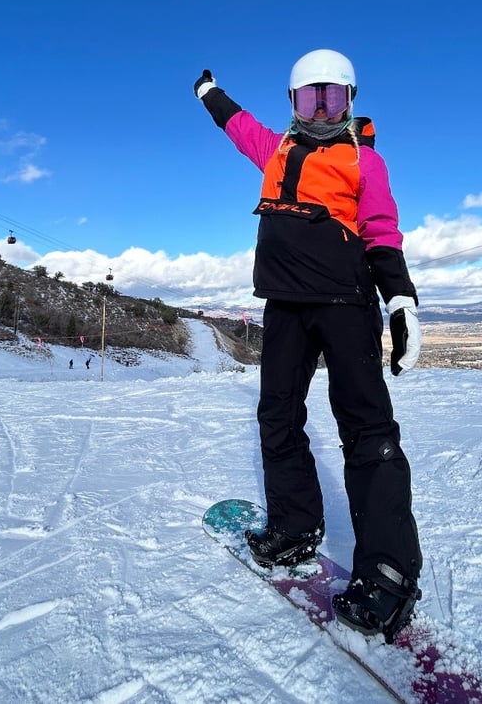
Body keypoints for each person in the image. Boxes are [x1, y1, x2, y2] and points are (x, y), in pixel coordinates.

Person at [193, 49, 423, 642]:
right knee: (277, 417)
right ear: (292, 103)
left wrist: (399, 300)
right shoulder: (275, 149)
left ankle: (389, 573)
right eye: (308, 98)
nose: (320, 110)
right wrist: (210, 95)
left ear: (350, 100)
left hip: (346, 303)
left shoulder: (364, 161)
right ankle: (294, 528)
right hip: (285, 304)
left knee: (367, 431)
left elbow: (380, 229)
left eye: (333, 98)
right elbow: (237, 124)